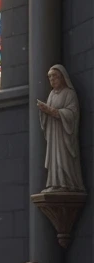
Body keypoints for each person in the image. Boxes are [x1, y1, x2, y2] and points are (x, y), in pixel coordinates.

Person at [36, 63, 85, 191]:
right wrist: (44, 111)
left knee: (63, 157)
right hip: (53, 133)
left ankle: (67, 184)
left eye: (55, 76)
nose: (52, 79)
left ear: (62, 77)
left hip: (64, 134)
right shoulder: (52, 94)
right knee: (54, 158)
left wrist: (56, 112)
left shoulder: (69, 93)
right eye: (50, 77)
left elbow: (72, 113)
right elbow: (49, 112)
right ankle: (55, 183)